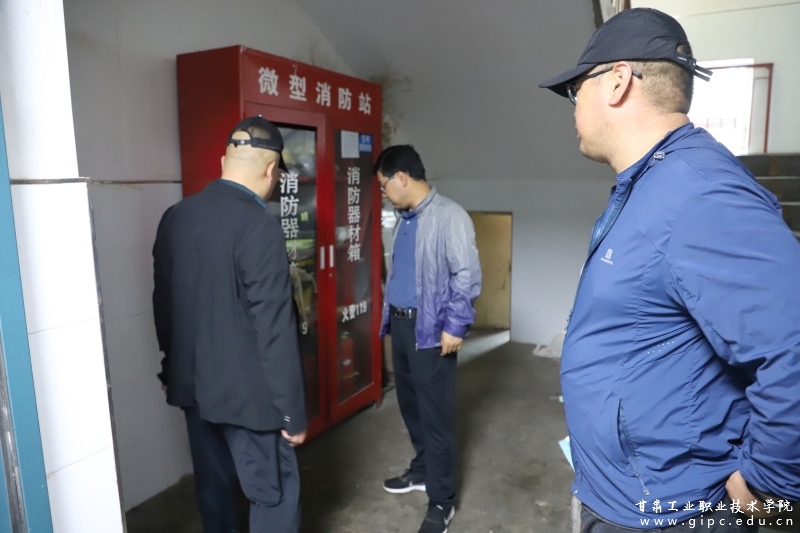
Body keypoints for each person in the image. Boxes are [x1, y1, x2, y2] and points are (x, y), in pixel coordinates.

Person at [539, 8, 800, 532]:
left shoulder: (699, 193)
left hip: (671, 513)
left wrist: (768, 485)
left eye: (576, 90)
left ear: (617, 81)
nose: (574, 106)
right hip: (627, 494)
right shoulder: (653, 181)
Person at [152, 116, 307, 533]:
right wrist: (292, 412)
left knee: (215, 491)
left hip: (194, 389)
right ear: (272, 171)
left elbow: (163, 303)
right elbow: (273, 327)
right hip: (250, 401)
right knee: (272, 496)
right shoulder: (259, 225)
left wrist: (169, 370)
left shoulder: (176, 216)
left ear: (224, 161)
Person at [375, 145, 482, 533]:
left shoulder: (449, 216)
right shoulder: (404, 219)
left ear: (401, 178)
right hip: (402, 327)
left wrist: (456, 325)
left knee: (435, 418)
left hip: (433, 329)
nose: (383, 193)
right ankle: (421, 471)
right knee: (411, 408)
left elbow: (466, 274)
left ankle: (442, 500)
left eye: (383, 185)